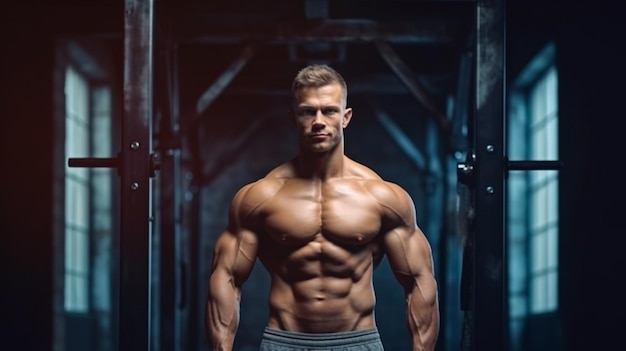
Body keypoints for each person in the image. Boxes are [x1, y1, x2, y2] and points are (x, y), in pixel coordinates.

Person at [205, 64, 439, 351]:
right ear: (293, 118)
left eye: (329, 110)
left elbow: (419, 281)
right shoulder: (260, 197)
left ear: (345, 117)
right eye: (307, 111)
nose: (318, 121)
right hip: (284, 341)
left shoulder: (382, 197)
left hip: (357, 341)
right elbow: (226, 278)